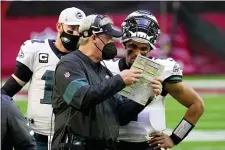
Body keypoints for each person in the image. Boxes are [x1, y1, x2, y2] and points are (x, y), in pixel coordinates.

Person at [51, 14, 162, 150]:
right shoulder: (69, 63)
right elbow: (81, 97)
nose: (112, 43)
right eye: (108, 38)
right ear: (94, 38)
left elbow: (121, 116)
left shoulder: (104, 72)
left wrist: (147, 94)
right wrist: (120, 80)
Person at [103, 10, 205, 150]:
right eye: (132, 47)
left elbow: (197, 105)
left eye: (143, 48)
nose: (137, 54)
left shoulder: (162, 70)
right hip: (112, 144)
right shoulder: (107, 67)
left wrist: (174, 138)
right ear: (125, 44)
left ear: (150, 48)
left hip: (149, 146)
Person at [1, 7, 86, 150]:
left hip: (71, 137)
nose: (76, 33)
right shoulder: (37, 50)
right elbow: (8, 91)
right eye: (72, 27)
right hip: (37, 135)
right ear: (59, 26)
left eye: (80, 29)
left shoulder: (84, 57)